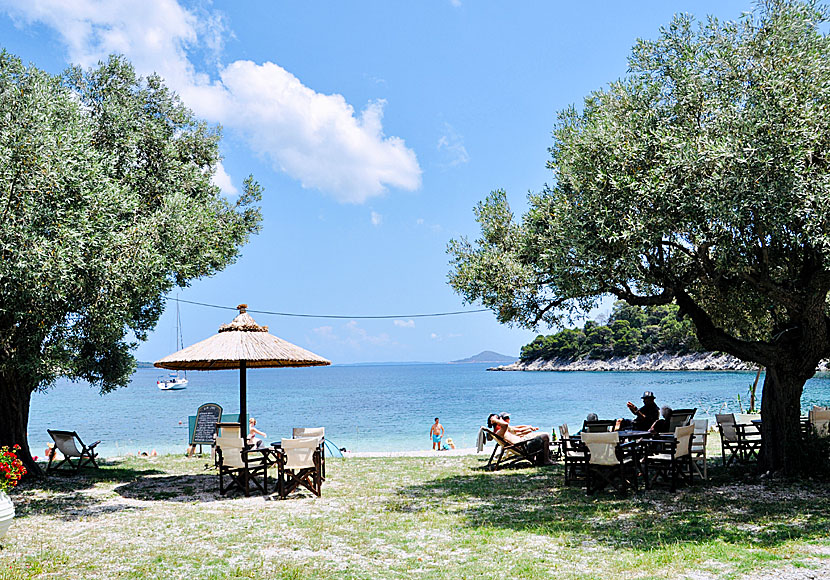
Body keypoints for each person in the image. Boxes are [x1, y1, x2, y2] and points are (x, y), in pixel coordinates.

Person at [488, 412, 554, 466]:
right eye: (499, 419)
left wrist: (529, 427)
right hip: (524, 447)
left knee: (542, 434)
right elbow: (505, 425)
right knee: (546, 436)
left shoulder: (500, 431)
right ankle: (546, 460)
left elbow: (514, 428)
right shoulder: (499, 432)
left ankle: (541, 460)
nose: (501, 420)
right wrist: (495, 420)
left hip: (523, 444)